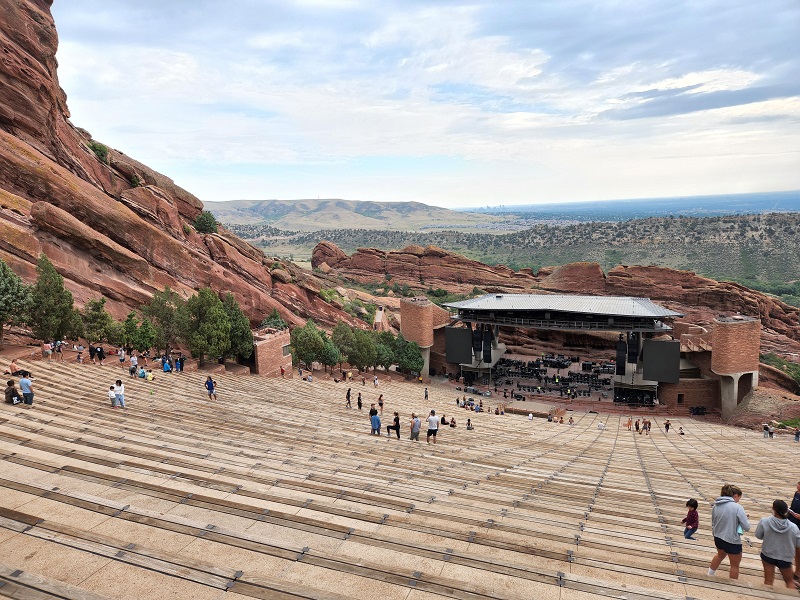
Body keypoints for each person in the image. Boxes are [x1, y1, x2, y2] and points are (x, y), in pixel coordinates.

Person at [708, 484, 750, 579]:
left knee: (720, 555)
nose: (739, 500)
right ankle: (733, 585)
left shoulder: (716, 505)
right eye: (739, 497)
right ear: (735, 496)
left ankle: (710, 574)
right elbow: (747, 527)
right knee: (734, 565)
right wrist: (745, 519)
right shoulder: (737, 507)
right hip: (731, 540)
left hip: (718, 537)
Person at [756, 500, 800, 588]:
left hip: (768, 554)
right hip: (785, 558)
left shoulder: (764, 521)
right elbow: (798, 544)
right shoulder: (793, 527)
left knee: (768, 581)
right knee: (789, 582)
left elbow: (758, 536)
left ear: (773, 509)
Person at [786, 481, 800, 581]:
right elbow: (792, 507)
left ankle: (798, 572)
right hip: (792, 522)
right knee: (794, 549)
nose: (798, 487)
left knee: (798, 550)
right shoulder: (796, 493)